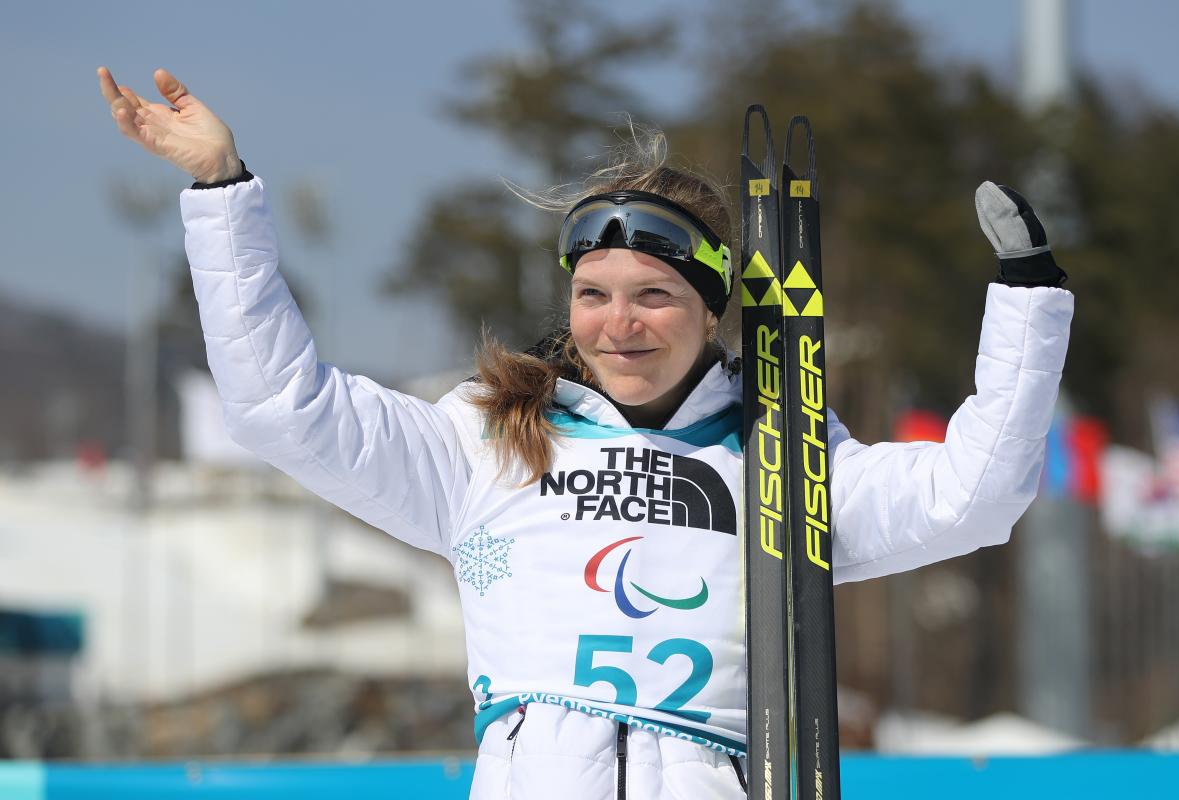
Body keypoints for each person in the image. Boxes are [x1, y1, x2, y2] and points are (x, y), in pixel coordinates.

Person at [98, 66, 1073, 799]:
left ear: (710, 308)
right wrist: (223, 189)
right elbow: (283, 406)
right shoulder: (485, 444)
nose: (621, 322)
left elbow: (972, 495)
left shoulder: (784, 459)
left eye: (654, 294)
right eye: (595, 294)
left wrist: (1027, 297)